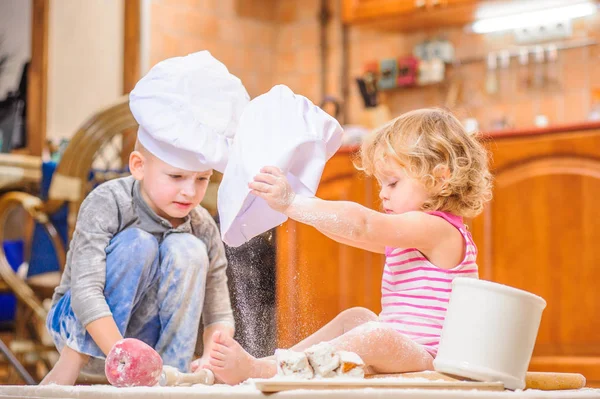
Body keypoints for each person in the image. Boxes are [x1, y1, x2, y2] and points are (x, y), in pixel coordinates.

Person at [202, 107, 493, 385]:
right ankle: (280, 363)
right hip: (401, 350)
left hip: (430, 358)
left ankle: (265, 370)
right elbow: (352, 235)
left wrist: (294, 203)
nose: (383, 194)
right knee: (357, 318)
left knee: (376, 334)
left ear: (440, 178)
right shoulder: (413, 236)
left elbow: (362, 225)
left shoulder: (437, 229)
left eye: (392, 183)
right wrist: (304, 210)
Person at [41, 51, 249, 385]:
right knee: (138, 244)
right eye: (176, 177)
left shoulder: (202, 227)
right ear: (139, 165)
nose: (189, 192)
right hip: (85, 332)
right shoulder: (108, 202)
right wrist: (120, 353)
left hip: (147, 353)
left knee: (189, 250)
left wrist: (214, 352)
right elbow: (85, 290)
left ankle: (167, 377)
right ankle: (70, 364)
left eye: (201, 179)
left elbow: (218, 311)